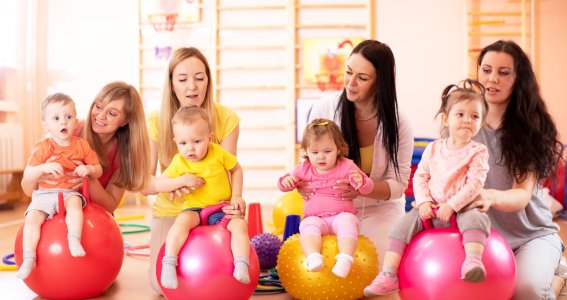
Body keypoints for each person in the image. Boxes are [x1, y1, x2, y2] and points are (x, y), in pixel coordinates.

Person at [364, 79, 491, 296]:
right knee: (400, 227)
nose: (467, 120)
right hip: (430, 208)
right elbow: (420, 176)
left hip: (462, 209)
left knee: (476, 220)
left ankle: (472, 261)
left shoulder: (478, 151)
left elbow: (475, 183)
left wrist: (452, 205)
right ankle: (388, 274)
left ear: (481, 122)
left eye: (475, 116)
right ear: (446, 118)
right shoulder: (433, 148)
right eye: (460, 114)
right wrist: (423, 201)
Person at [467, 40, 565, 300]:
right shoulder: (462, 120)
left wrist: (490, 196)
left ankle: (555, 279)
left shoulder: (530, 128)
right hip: (481, 237)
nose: (492, 79)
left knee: (526, 291)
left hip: (531, 235)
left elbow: (521, 195)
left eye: (503, 72)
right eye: (486, 70)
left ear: (518, 77)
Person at [307, 40, 414, 269]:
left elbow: (399, 184)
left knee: (374, 271)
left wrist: (364, 188)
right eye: (348, 72)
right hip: (331, 210)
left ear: (380, 83)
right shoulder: (324, 109)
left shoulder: (399, 123)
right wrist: (304, 185)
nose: (351, 83)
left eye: (362, 78)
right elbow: (308, 162)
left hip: (381, 211)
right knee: (324, 270)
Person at [146, 47, 241, 293]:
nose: (192, 87)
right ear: (172, 84)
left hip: (214, 209)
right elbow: (144, 183)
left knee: (222, 279)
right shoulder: (156, 121)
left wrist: (235, 203)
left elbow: (233, 170)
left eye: (200, 78)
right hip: (173, 210)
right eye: (183, 79)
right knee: (160, 286)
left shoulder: (226, 118)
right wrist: (177, 183)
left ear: (208, 80)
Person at [144, 106, 249, 289]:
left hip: (220, 208)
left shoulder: (218, 152)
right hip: (194, 210)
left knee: (239, 225)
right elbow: (163, 180)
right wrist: (180, 181)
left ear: (209, 138)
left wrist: (237, 196)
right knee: (181, 223)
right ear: (176, 142)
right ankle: (169, 263)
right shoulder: (179, 161)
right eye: (183, 143)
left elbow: (236, 169)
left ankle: (241, 264)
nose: (190, 148)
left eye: (197, 141)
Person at [21, 81, 152, 214]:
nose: (100, 116)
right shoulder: (66, 131)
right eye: (98, 106)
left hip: (96, 219)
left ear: (126, 120)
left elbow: (110, 205)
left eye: (112, 113)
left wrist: (89, 179)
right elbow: (27, 189)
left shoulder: (124, 154)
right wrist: (39, 174)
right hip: (57, 212)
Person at [17, 93, 103, 279]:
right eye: (56, 118)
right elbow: (28, 174)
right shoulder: (42, 147)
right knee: (32, 218)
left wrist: (88, 169)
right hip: (44, 194)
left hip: (69, 192)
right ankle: (29, 258)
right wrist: (43, 167)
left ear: (76, 121)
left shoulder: (82, 145)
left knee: (75, 206)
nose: (63, 122)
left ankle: (73, 240)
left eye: (68, 117)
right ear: (46, 125)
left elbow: (98, 170)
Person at [278, 118, 374, 278]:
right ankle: (313, 256)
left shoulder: (347, 166)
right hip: (315, 218)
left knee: (348, 222)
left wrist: (361, 181)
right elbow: (282, 185)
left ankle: (345, 258)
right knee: (307, 227)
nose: (321, 157)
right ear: (306, 151)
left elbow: (368, 187)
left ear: (338, 149)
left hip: (341, 215)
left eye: (327, 151)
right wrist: (286, 182)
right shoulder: (303, 168)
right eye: (314, 152)